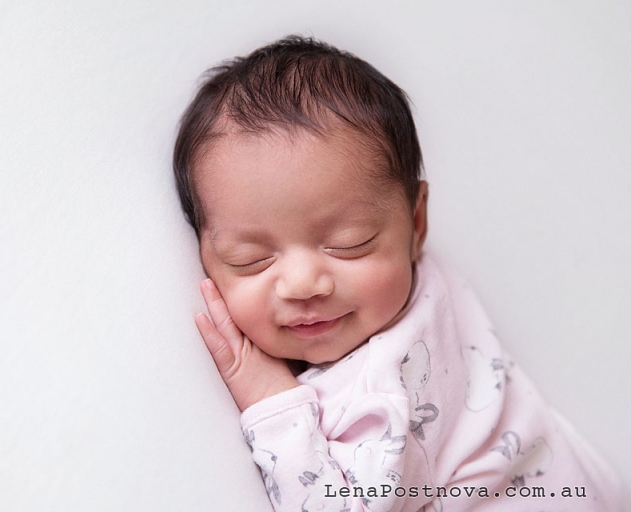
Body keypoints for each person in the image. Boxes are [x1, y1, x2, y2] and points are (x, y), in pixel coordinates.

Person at [172, 36, 625, 511]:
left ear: (416, 223)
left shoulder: (380, 398)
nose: (303, 284)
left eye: (351, 243)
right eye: (251, 259)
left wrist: (272, 400)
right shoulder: (429, 285)